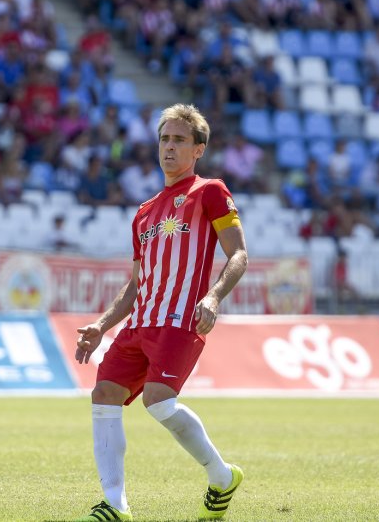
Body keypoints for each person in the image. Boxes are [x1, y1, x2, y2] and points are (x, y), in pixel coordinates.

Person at [75, 104, 247, 521]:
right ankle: (115, 505)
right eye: (164, 139)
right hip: (139, 324)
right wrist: (101, 324)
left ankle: (222, 476)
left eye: (180, 140)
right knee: (104, 395)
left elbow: (238, 253)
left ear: (198, 150)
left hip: (180, 320)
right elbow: (137, 283)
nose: (169, 147)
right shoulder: (144, 212)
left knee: (158, 401)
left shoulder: (210, 191)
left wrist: (213, 297)